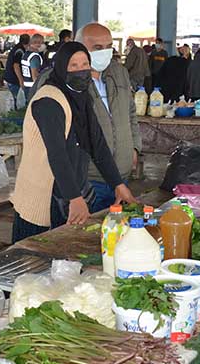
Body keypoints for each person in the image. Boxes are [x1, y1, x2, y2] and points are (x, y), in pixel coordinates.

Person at [10, 42, 138, 243]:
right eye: (73, 66)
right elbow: (57, 154)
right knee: (31, 262)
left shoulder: (80, 98)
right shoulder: (48, 101)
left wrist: (117, 184)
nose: (81, 70)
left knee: (63, 262)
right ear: (61, 68)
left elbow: (98, 144)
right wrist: (75, 198)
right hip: (42, 197)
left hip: (67, 192)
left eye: (85, 64)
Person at [34, 23, 142, 212]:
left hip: (119, 176)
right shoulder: (59, 82)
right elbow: (56, 148)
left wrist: (134, 147)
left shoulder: (119, 72)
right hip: (86, 179)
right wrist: (74, 195)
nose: (105, 53)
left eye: (109, 47)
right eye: (97, 48)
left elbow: (131, 113)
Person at [20, 34, 45, 101]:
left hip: (26, 86)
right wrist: (39, 89)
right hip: (33, 88)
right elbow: (35, 75)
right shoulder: (35, 57)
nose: (43, 45)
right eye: (42, 42)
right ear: (37, 43)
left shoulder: (26, 54)